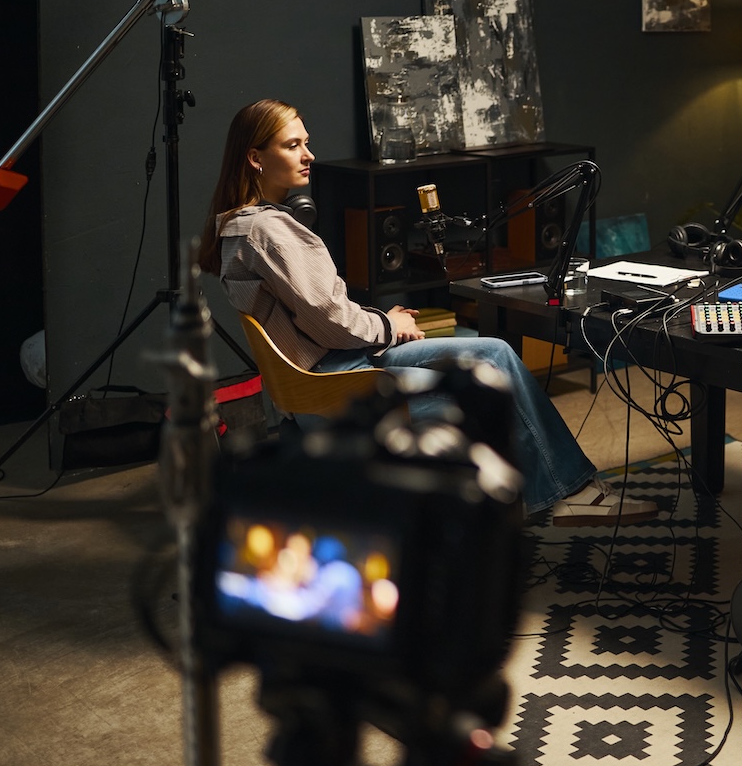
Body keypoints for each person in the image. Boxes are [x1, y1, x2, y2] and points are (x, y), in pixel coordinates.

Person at [197, 98, 655, 525]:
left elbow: (313, 314)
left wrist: (380, 322)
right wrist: (387, 327)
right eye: (292, 145)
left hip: (329, 370)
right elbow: (331, 321)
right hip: (342, 378)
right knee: (492, 368)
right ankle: (566, 493)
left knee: (492, 351)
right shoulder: (271, 232)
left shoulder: (239, 227)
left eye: (307, 142)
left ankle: (550, 489)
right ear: (255, 158)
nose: (308, 154)